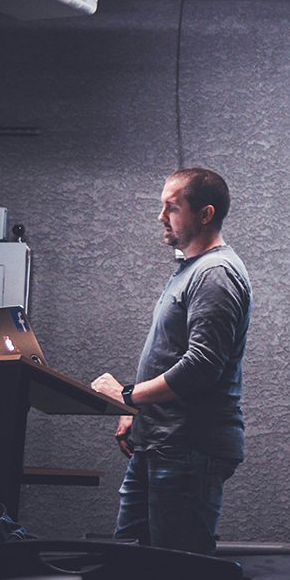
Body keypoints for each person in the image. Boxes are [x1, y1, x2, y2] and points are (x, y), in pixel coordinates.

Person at [91, 167, 252, 555]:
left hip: (187, 449)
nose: (161, 217)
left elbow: (201, 365)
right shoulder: (190, 270)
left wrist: (128, 395)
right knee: (132, 568)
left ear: (205, 214)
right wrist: (136, 407)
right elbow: (173, 355)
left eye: (172, 207)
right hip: (160, 444)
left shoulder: (216, 274)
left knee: (178, 576)